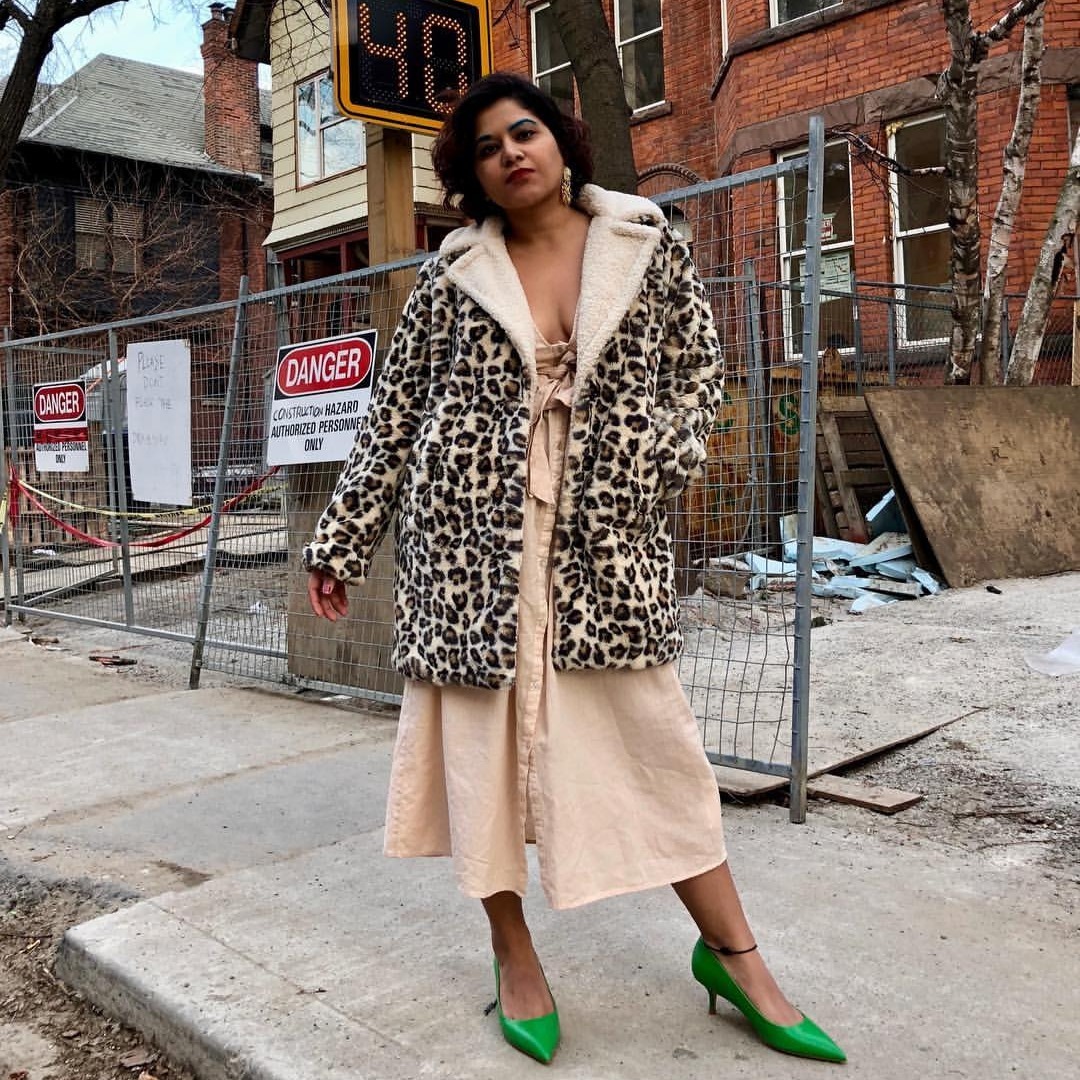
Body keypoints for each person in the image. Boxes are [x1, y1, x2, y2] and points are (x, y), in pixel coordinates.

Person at [304, 72, 844, 1067]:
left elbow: (697, 371)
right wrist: (342, 538)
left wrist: (650, 462)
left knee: (655, 749)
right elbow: (395, 412)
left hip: (604, 540)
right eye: (486, 147)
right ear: (471, 177)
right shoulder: (452, 275)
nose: (511, 152)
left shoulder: (645, 240)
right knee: (482, 760)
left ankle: (736, 957)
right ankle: (515, 956)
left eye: (525, 131)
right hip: (467, 550)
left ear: (559, 141)